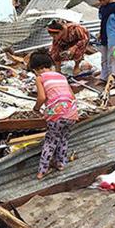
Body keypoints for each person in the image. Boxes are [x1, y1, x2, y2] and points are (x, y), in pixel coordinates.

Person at [28, 51, 78, 180]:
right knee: (64, 138)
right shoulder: (61, 76)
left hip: (56, 113)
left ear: (35, 69)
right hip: (72, 112)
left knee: (50, 141)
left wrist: (37, 109)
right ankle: (60, 163)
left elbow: (42, 98)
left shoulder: (40, 78)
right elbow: (72, 96)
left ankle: (42, 171)